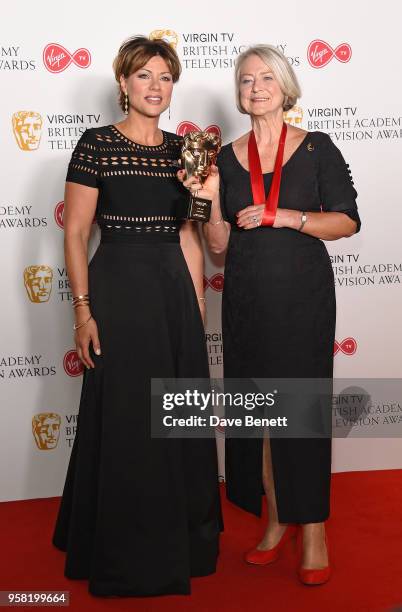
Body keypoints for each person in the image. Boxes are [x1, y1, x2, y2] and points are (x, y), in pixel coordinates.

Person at [179, 44, 360, 585]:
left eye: (265, 77)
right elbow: (216, 247)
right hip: (246, 300)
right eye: (245, 79)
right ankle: (277, 519)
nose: (255, 87)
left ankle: (314, 530)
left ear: (285, 86)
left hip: (303, 300)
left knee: (301, 414)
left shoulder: (317, 148)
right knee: (258, 416)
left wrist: (287, 215)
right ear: (238, 91)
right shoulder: (226, 158)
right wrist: (212, 200)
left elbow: (348, 221)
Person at [52, 35, 222, 597]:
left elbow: (192, 236)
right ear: (123, 83)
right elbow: (76, 232)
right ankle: (122, 550)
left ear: (173, 87)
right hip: (118, 289)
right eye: (144, 75)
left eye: (165, 77)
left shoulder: (186, 150)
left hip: (172, 288)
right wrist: (83, 310)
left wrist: (196, 305)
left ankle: (183, 540)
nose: (155, 86)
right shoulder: (96, 144)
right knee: (126, 412)